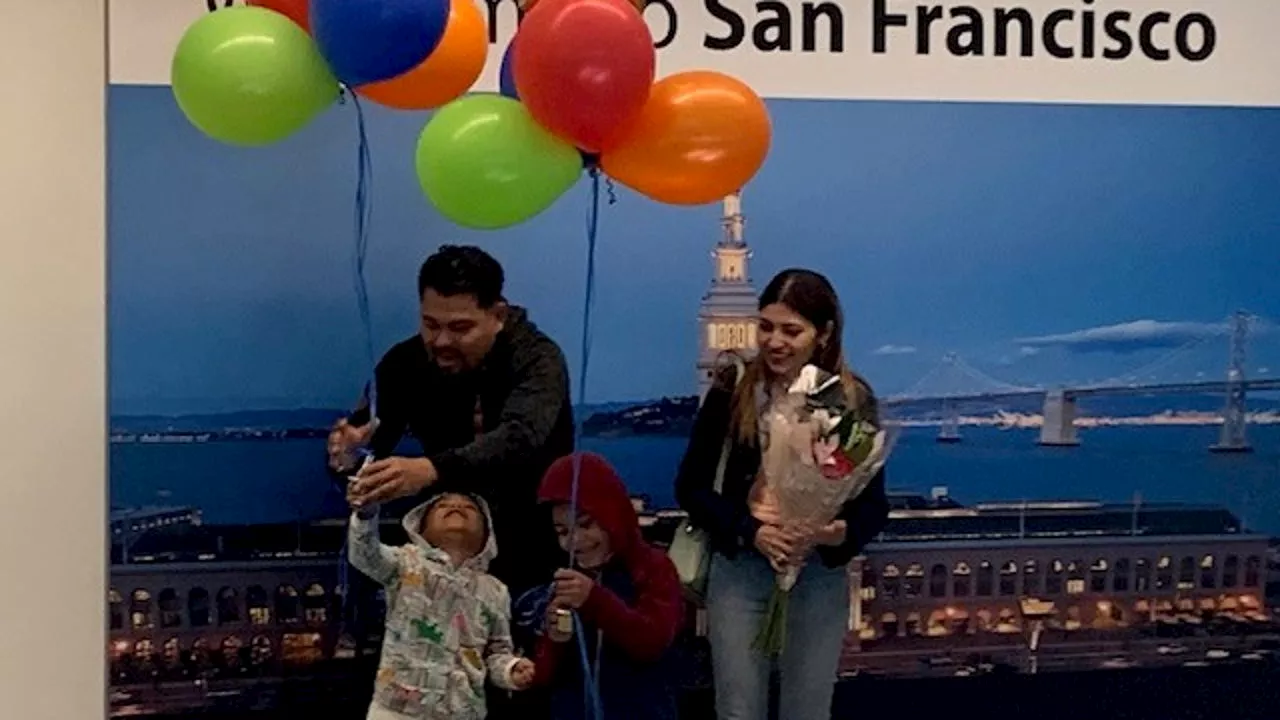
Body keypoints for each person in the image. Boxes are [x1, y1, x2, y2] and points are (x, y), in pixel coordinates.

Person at [673, 269, 891, 720]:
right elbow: (690, 486)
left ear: (824, 333)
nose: (775, 342)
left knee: (807, 711)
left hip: (816, 577)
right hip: (740, 573)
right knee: (737, 709)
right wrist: (751, 530)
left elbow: (872, 506)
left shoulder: (848, 399)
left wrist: (832, 533)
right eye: (766, 326)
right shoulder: (734, 390)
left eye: (792, 330)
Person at [330, 244, 573, 602]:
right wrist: (347, 458)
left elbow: (520, 437)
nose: (442, 341)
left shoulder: (539, 360)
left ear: (499, 315)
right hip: (440, 562)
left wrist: (429, 469)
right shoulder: (404, 363)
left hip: (533, 554)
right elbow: (366, 447)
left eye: (460, 328)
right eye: (430, 325)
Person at [346, 480, 536, 720]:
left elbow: (497, 651)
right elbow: (365, 554)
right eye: (443, 506)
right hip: (396, 712)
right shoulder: (405, 564)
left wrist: (511, 670)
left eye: (468, 508)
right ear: (420, 529)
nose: (456, 506)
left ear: (487, 534)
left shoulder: (495, 591)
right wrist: (366, 515)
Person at [531, 452, 684, 720]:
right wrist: (554, 641)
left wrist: (595, 600)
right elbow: (543, 675)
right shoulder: (564, 581)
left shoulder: (654, 567)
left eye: (585, 524)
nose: (574, 541)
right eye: (561, 532)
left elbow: (652, 643)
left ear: (612, 515)